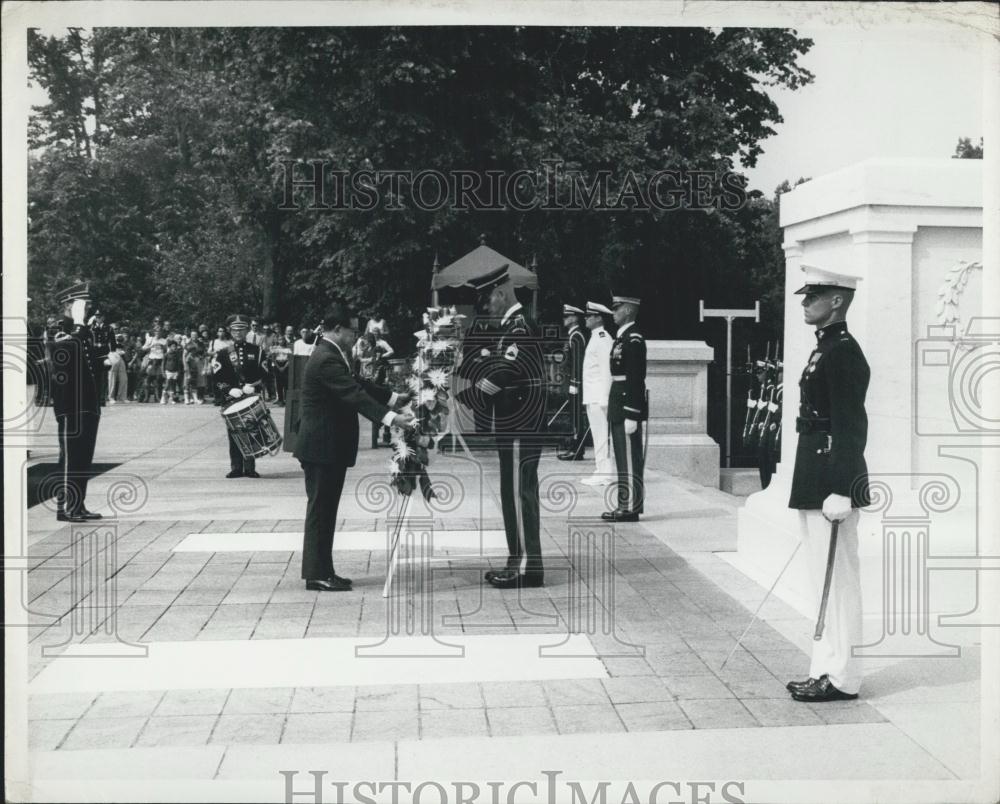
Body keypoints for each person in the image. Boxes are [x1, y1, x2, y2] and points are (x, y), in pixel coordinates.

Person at [785, 265, 870, 703]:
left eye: (813, 296)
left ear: (836, 300)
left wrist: (844, 487)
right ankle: (824, 667)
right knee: (822, 577)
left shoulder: (844, 353)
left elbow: (851, 426)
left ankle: (842, 677)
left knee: (837, 580)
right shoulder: (826, 348)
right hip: (815, 471)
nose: (805, 302)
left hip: (831, 478)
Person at [293, 304, 414, 591]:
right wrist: (391, 418)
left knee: (325, 509)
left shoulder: (332, 353)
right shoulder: (326, 358)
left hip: (326, 446)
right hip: (321, 447)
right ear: (337, 329)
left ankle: (323, 570)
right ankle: (317, 574)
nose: (356, 336)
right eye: (353, 330)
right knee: (321, 510)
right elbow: (353, 395)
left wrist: (394, 397)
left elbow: (358, 383)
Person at [460, 265, 547, 589]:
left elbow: (507, 373)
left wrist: (470, 395)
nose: (486, 306)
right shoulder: (512, 325)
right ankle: (519, 559)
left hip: (520, 421)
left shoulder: (520, 326)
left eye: (487, 299)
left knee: (518, 492)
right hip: (514, 420)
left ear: (500, 293)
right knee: (513, 492)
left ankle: (526, 566)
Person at [49, 281, 103, 523]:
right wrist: (80, 326)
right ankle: (66, 508)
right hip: (70, 403)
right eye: (84, 305)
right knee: (70, 457)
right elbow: (65, 354)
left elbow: (85, 362)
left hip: (87, 402)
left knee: (83, 456)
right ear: (69, 305)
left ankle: (78, 504)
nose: (88, 309)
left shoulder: (82, 330)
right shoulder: (58, 328)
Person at [602, 292, 647, 523]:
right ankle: (624, 503)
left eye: (617, 308)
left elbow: (636, 378)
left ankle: (629, 506)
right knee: (621, 456)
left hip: (626, 404)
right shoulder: (622, 337)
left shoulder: (634, 338)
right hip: (618, 401)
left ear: (628, 310)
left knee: (629, 458)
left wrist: (632, 413)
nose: (614, 312)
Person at [212, 314, 266, 478]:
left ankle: (250, 467)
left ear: (247, 330)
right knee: (233, 433)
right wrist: (228, 390)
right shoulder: (222, 353)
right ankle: (236, 467)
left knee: (251, 431)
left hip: (250, 397)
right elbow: (216, 379)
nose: (238, 333)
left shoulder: (257, 351)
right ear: (230, 331)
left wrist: (254, 385)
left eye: (241, 329)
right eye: (235, 330)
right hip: (231, 398)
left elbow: (265, 375)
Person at [580, 301, 615, 485]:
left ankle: (605, 472)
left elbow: (606, 370)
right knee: (597, 434)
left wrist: (604, 397)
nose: (586, 318)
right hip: (592, 395)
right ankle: (601, 469)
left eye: (589, 316)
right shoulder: (595, 337)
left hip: (598, 396)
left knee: (601, 435)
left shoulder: (602, 338)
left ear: (598, 318)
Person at [557, 303, 588, 461]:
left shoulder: (576, 336)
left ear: (575, 318)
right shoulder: (572, 335)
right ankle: (575, 447)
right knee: (572, 416)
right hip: (571, 382)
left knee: (576, 417)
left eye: (567, 316)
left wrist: (575, 384)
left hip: (575, 383)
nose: (565, 319)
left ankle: (577, 449)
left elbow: (578, 363)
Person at [106, 334, 129, 404]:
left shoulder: (121, 336)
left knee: (124, 378)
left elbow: (123, 346)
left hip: (120, 357)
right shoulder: (111, 337)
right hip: (113, 355)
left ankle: (122, 397)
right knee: (112, 378)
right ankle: (111, 397)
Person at [162, 338, 183, 404]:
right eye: (173, 346)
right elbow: (163, 364)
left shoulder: (177, 355)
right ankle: (163, 398)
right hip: (168, 371)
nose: (174, 347)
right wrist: (163, 371)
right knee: (167, 384)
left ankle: (172, 398)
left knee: (173, 385)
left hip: (175, 371)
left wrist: (178, 371)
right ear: (169, 347)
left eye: (175, 346)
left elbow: (178, 364)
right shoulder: (166, 354)